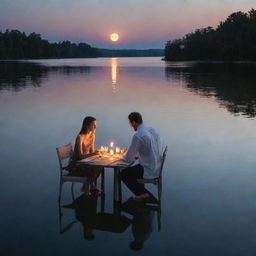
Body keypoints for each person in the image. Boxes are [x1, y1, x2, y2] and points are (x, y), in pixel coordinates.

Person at [121, 112, 162, 201]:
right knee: (134, 170)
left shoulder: (138, 135)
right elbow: (149, 148)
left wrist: (122, 155)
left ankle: (142, 193)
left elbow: (128, 159)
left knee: (123, 174)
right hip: (157, 166)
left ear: (134, 122)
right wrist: (137, 155)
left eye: (130, 123)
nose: (131, 126)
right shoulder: (152, 129)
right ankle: (142, 192)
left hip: (148, 168)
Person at [67, 116, 102, 195]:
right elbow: (80, 156)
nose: (95, 126)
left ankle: (90, 186)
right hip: (76, 164)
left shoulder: (92, 135)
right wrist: (93, 154)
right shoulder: (80, 137)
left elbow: (92, 151)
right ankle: (86, 187)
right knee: (93, 169)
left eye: (95, 124)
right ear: (87, 125)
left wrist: (97, 153)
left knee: (100, 167)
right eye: (93, 124)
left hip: (85, 161)